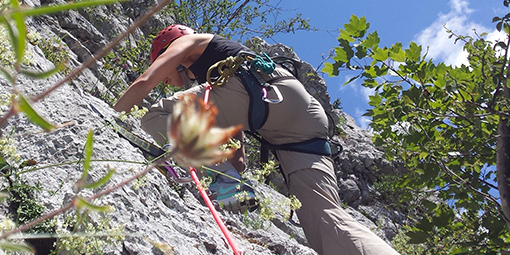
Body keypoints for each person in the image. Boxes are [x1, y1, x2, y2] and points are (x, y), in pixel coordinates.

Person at [114, 24, 401, 255]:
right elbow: (236, 150)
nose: (167, 77)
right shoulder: (217, 77)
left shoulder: (184, 44)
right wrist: (230, 173)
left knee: (156, 116)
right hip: (301, 114)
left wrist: (108, 116)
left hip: (258, 94)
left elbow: (145, 82)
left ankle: (224, 182)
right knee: (324, 217)